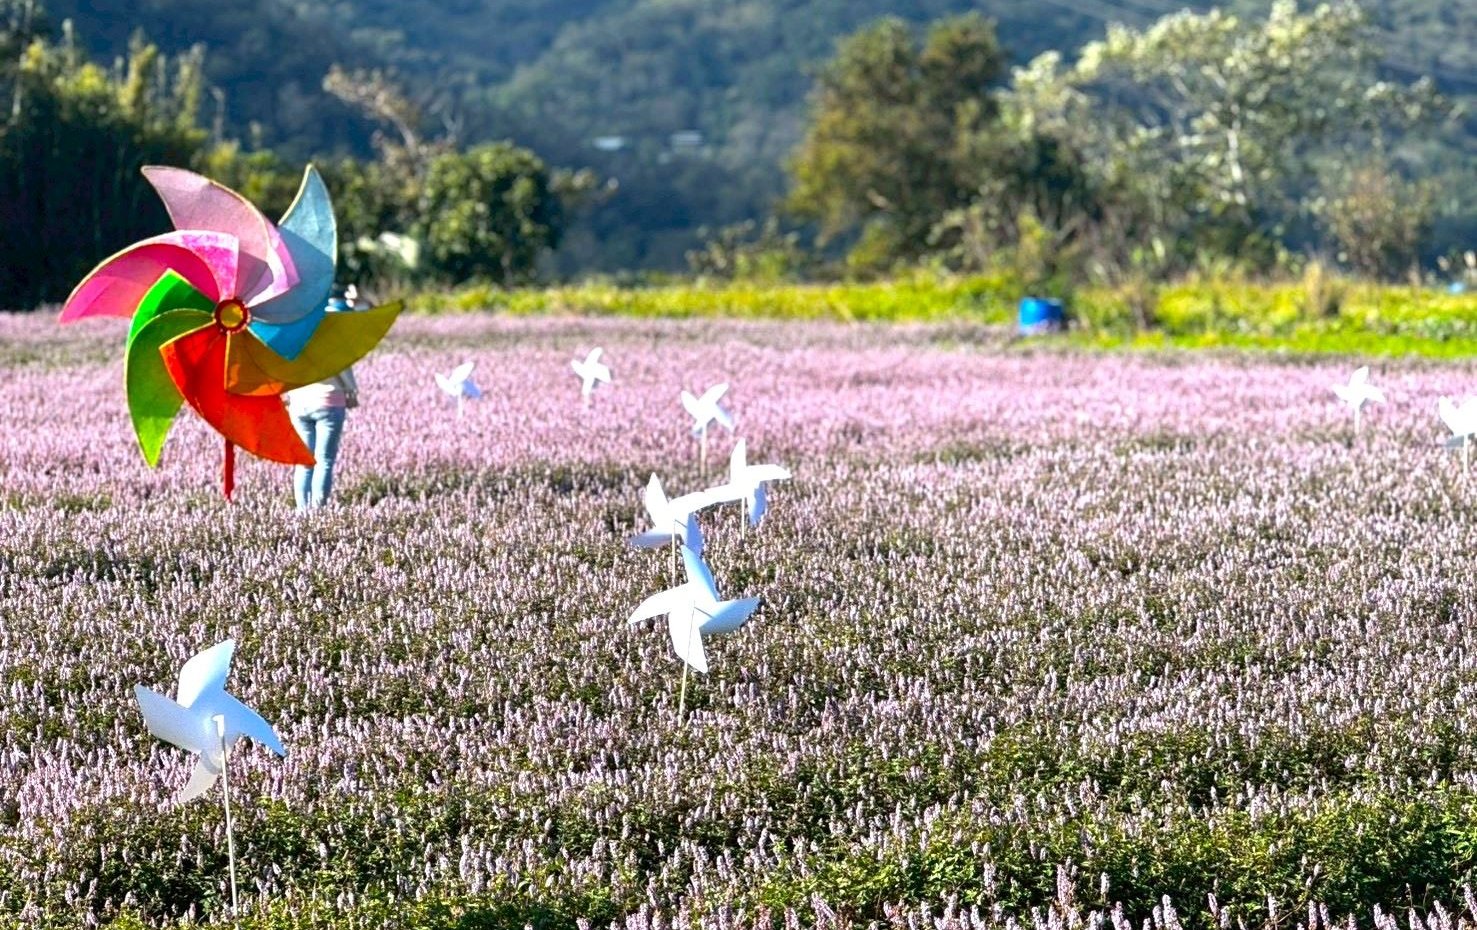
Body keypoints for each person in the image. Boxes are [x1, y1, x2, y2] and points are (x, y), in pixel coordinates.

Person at [285, 286, 361, 508]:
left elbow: (285, 369)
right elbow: (342, 368)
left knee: (303, 461)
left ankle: (302, 511)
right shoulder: (333, 337)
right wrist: (351, 392)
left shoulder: (297, 336)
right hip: (328, 401)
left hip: (299, 402)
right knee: (324, 461)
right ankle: (318, 512)